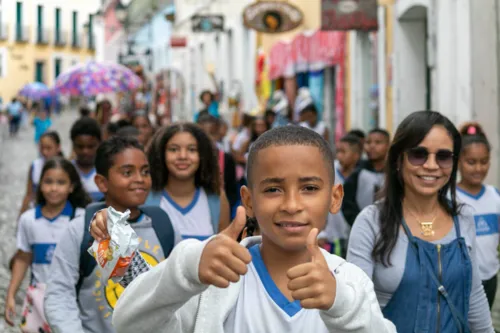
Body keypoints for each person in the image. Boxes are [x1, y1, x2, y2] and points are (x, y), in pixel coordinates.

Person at [110, 125, 397, 333]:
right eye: (273, 189)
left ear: (335, 198)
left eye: (309, 188)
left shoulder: (348, 281)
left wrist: (340, 303)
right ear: (248, 201)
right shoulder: (216, 281)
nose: (292, 204)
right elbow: (129, 324)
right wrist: (186, 268)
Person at [347, 111, 493, 332]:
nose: (431, 165)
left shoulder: (463, 218)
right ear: (398, 159)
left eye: (443, 156)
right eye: (419, 154)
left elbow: (473, 296)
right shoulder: (371, 222)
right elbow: (356, 309)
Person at [44, 136, 174, 333]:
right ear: (102, 183)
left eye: (145, 171)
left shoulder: (164, 227)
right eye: (127, 172)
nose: (139, 179)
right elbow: (59, 292)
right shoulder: (80, 229)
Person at [5, 157, 90, 330]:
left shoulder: (82, 218)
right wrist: (11, 294)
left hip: (73, 298)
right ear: (40, 185)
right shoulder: (28, 220)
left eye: (61, 182)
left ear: (71, 187)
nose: (53, 188)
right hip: (38, 299)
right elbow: (23, 258)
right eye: (48, 182)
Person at [146, 123, 231, 241]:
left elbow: (224, 250)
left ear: (202, 155)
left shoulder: (216, 198)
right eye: (173, 149)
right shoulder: (144, 197)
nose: (182, 156)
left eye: (192, 149)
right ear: (161, 154)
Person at [456, 122, 500, 309]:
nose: (478, 168)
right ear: (458, 161)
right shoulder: (450, 197)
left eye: (484, 161)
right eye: (471, 162)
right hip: (460, 280)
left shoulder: (495, 195)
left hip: (490, 277)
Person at [319, 134, 362, 257]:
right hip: (333, 236)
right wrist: (322, 232)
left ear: (356, 155)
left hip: (355, 235)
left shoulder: (362, 176)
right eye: (337, 151)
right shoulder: (330, 171)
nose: (339, 156)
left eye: (343, 152)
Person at [341, 128, 390, 226]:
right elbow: (347, 203)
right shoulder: (358, 173)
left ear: (388, 145)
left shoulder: (395, 172)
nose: (372, 146)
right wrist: (359, 223)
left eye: (378, 142)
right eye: (368, 142)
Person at [197, 113, 239, 213]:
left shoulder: (226, 159)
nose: (207, 137)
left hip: (220, 212)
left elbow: (232, 190)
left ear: (218, 133)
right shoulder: (191, 159)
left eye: (212, 133)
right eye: (203, 133)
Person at [19, 131, 63, 217]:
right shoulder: (35, 166)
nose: (44, 152)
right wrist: (21, 215)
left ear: (58, 147)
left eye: (49, 148)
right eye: (42, 148)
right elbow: (29, 194)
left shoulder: (66, 167)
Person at [70, 117, 104, 202]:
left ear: (99, 144)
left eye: (91, 146)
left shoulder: (106, 172)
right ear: (73, 145)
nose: (85, 151)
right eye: (80, 146)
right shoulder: (67, 171)